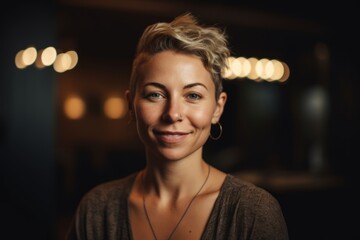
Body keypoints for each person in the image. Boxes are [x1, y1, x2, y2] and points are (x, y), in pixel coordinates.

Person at [66, 12, 289, 240]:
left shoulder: (252, 212)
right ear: (131, 104)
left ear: (217, 108)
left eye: (192, 95)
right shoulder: (96, 209)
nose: (173, 114)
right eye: (155, 94)